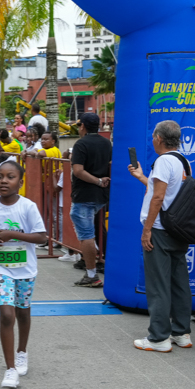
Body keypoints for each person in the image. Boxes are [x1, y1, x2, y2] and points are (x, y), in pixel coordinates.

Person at [0, 154, 47, 389]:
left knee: (22, 312)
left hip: (25, 268)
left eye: (10, 177)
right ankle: (10, 370)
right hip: (1, 268)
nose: (3, 181)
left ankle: (22, 351)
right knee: (7, 314)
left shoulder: (28, 207)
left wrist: (12, 235)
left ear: (20, 181)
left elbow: (41, 237)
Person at [126, 120, 192, 353]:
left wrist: (147, 230)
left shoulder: (163, 161)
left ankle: (158, 338)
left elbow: (158, 198)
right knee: (178, 282)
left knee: (158, 284)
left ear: (159, 139)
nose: (152, 140)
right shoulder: (183, 161)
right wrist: (143, 177)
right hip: (178, 229)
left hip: (160, 230)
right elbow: (166, 192)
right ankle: (181, 333)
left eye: (154, 136)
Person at [70, 112, 112, 288]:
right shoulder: (107, 143)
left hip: (84, 195)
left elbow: (78, 170)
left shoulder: (81, 144)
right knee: (92, 231)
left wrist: (97, 180)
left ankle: (91, 275)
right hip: (101, 196)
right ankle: (95, 266)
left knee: (86, 235)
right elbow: (111, 165)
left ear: (83, 126)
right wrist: (103, 181)